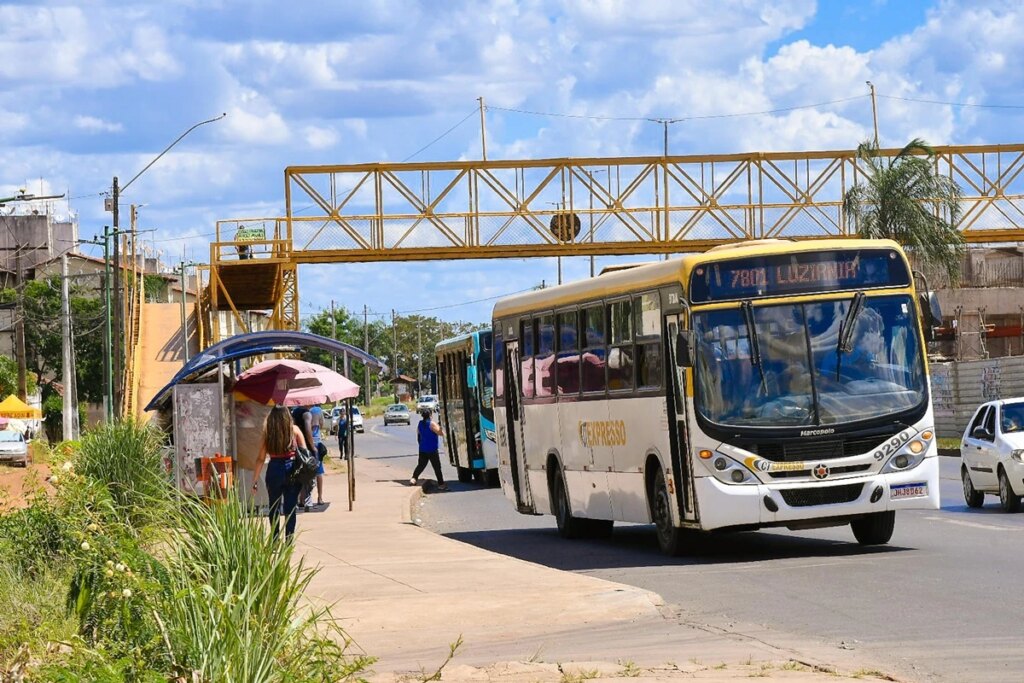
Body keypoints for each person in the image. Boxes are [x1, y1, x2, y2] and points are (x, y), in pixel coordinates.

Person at [252, 406, 308, 541]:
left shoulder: (268, 434)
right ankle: (289, 540)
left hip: (274, 469)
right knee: (290, 507)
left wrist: (254, 480)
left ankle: (275, 539)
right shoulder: (294, 431)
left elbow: (260, 458)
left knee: (274, 506)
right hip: (292, 469)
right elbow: (305, 453)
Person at [290, 404, 320, 510]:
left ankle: (299, 501)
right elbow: (308, 429)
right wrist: (312, 446)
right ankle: (307, 501)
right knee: (310, 474)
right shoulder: (307, 414)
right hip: (305, 448)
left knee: (298, 475)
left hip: (296, 448)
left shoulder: (294, 413)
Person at [410, 407, 446, 490]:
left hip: (423, 449)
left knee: (421, 465)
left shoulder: (420, 423)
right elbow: (441, 433)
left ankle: (414, 478)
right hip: (432, 450)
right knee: (437, 467)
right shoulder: (432, 424)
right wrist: (440, 426)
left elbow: (418, 435)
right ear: (430, 415)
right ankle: (441, 484)